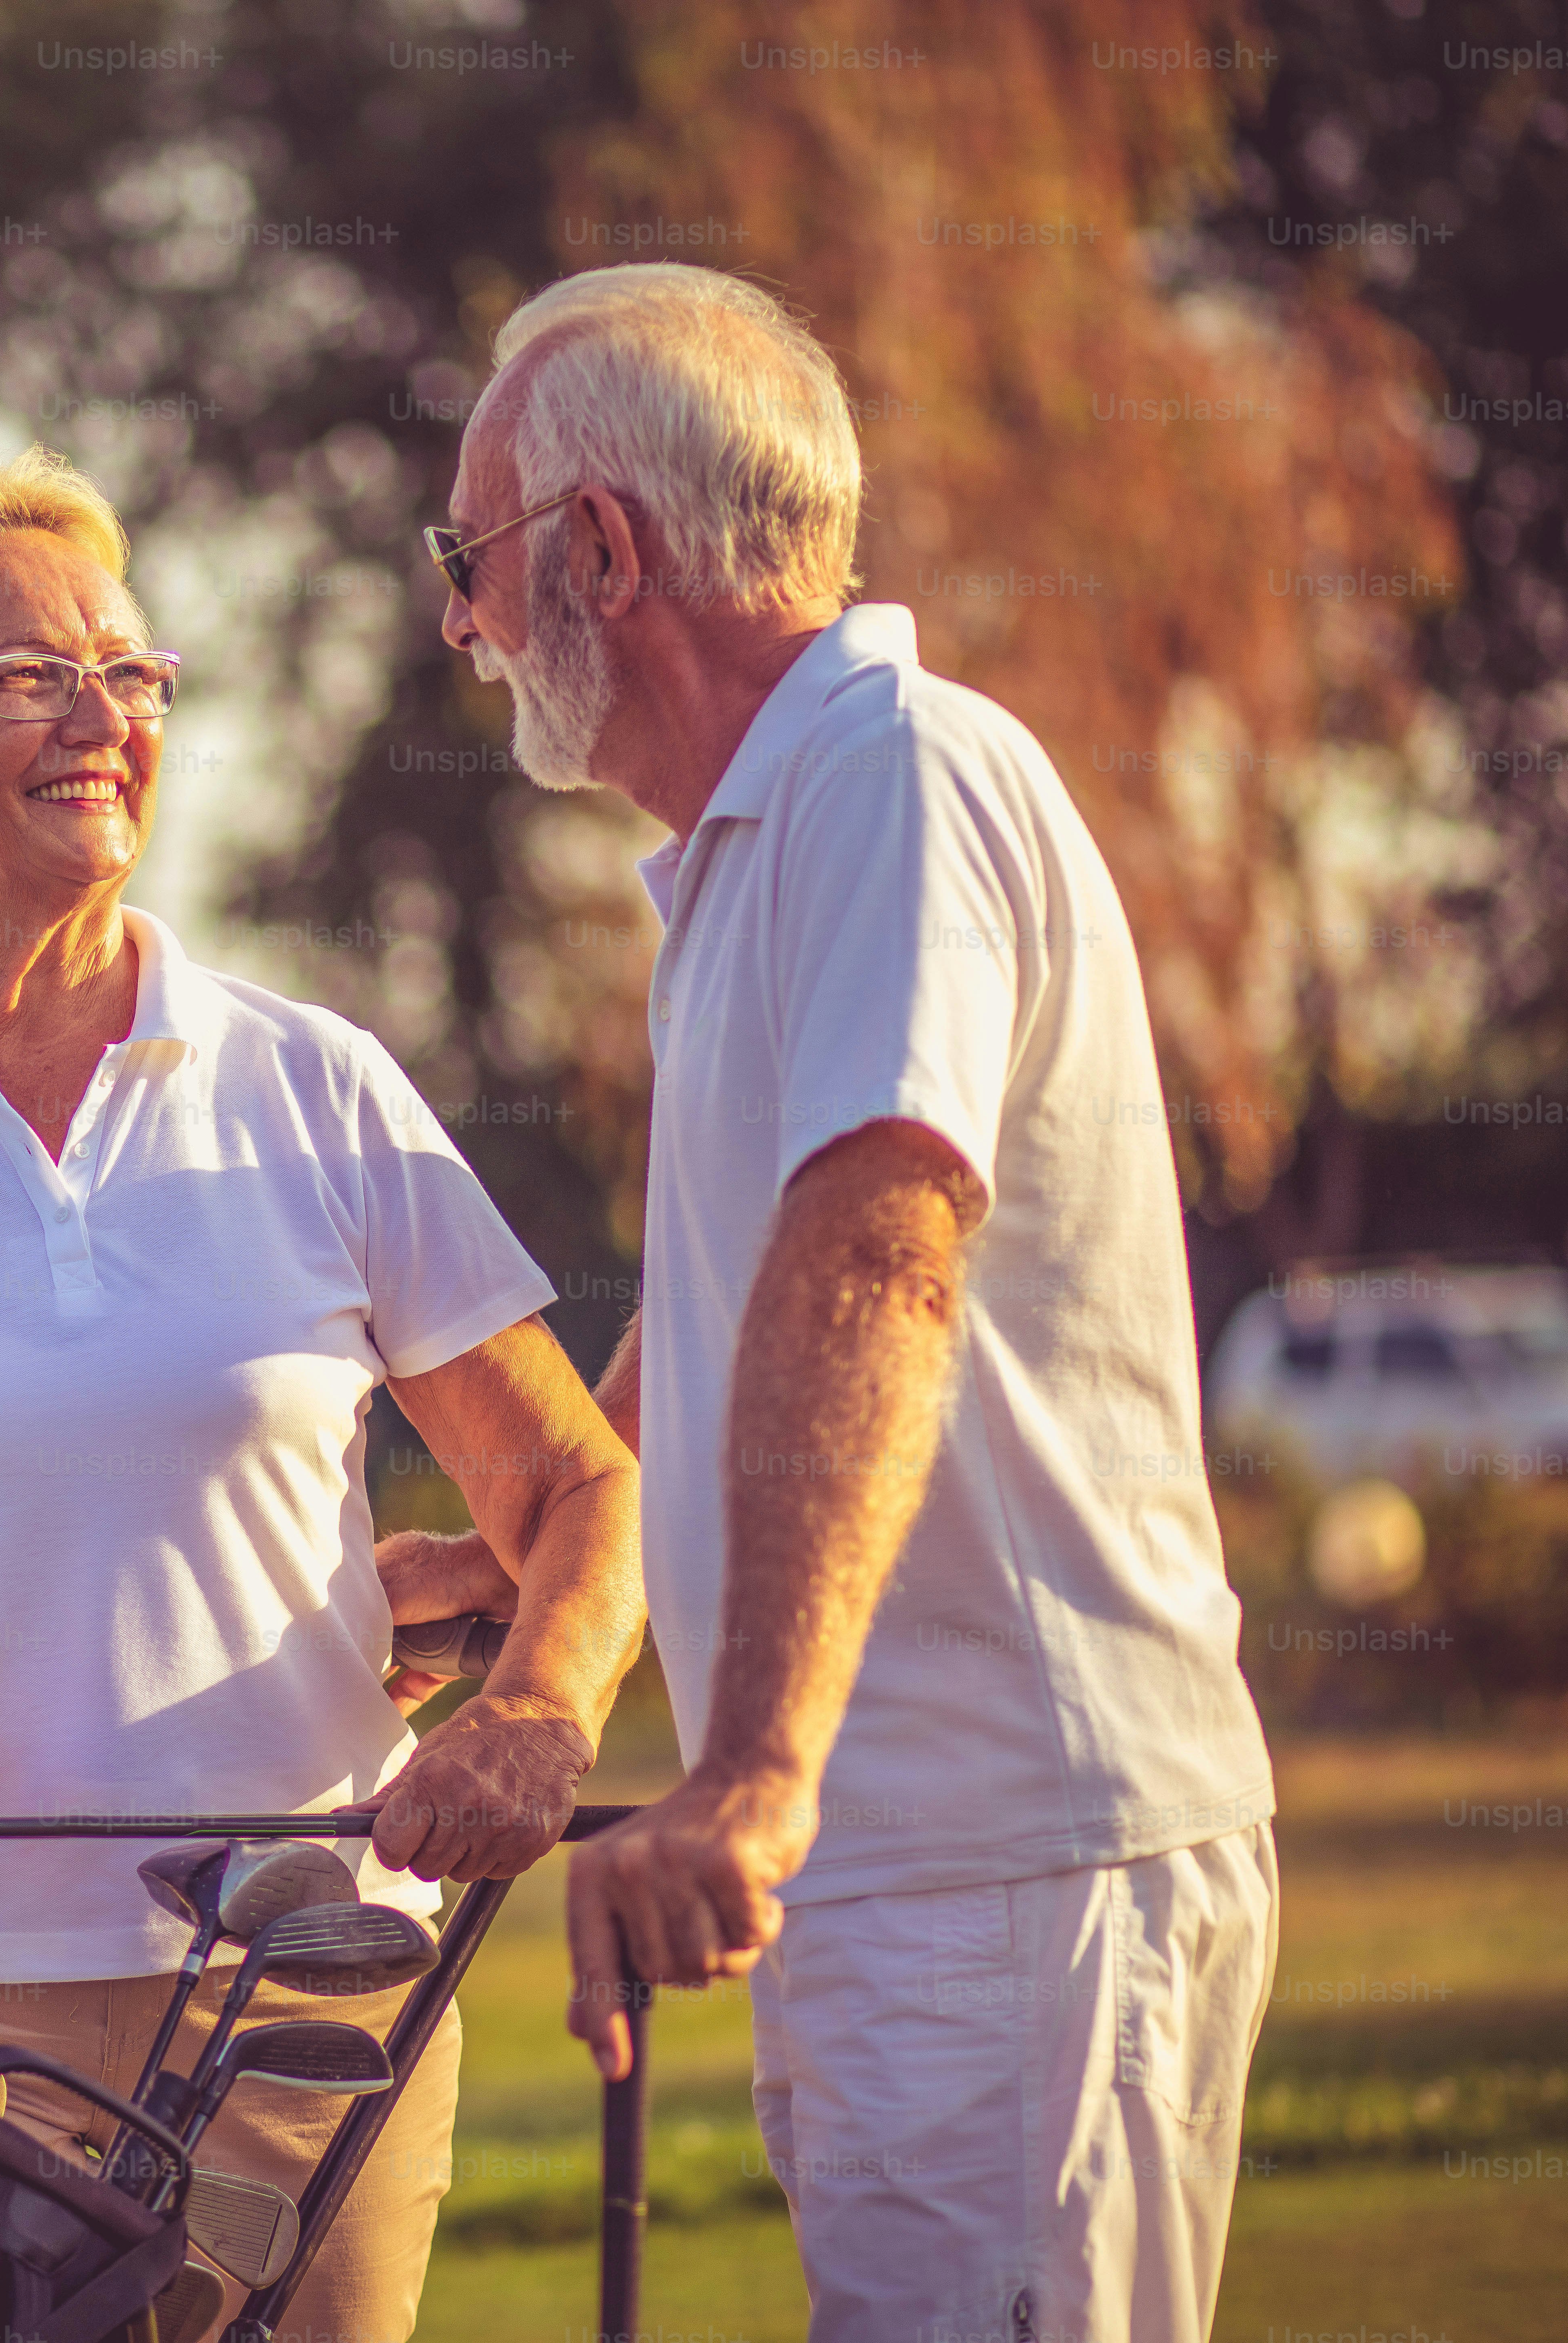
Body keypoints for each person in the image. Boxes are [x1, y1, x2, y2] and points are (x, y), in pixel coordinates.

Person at [0, 447, 649, 2343]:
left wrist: (535, 1712)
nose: (101, 718)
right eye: (23, 679)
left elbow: (578, 1487)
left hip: (297, 1989)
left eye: (128, 672)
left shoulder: (314, 1084)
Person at [428, 261, 1278, 2343]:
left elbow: (880, 1244)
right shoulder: (757, 841)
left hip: (987, 1852)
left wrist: (751, 1777)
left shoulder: (883, 772)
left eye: (469, 559)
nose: (455, 619)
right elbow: (733, 1311)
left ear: (600, 552)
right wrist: (531, 1572)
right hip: (910, 1872)